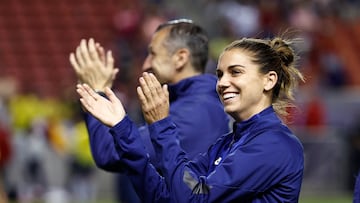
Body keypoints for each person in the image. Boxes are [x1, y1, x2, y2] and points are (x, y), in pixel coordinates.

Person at [76, 36, 305, 202]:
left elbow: (193, 199)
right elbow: (166, 196)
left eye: (235, 72)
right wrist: (121, 127)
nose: (223, 83)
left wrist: (161, 125)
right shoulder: (226, 144)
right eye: (220, 74)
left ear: (269, 80)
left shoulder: (274, 144)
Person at [69, 19, 230, 202]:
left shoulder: (193, 112)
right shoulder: (197, 104)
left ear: (180, 58)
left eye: (152, 54)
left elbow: (109, 154)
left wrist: (97, 91)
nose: (146, 64)